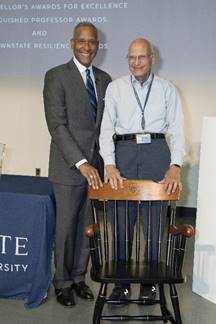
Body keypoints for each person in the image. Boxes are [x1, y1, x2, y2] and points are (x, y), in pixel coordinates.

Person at [99, 38, 185, 302]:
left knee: (154, 224)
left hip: (156, 153)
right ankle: (121, 283)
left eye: (142, 57)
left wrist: (175, 166)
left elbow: (178, 129)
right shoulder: (115, 88)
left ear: (152, 58)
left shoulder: (167, 89)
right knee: (121, 221)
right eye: (131, 58)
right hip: (123, 154)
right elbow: (106, 128)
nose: (136, 63)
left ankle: (150, 283)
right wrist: (109, 163)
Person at [43, 22, 111, 307]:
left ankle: (80, 278)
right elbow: (57, 126)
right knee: (66, 227)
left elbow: (106, 127)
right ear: (72, 43)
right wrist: (82, 163)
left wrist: (106, 164)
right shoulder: (56, 76)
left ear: (97, 46)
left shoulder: (105, 79)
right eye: (81, 41)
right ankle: (63, 282)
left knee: (87, 225)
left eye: (92, 42)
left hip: (96, 168)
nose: (87, 47)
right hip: (69, 167)